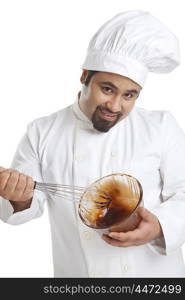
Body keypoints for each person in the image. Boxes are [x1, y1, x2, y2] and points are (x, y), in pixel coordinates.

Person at [0, 10, 185, 278]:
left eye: (129, 95)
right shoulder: (41, 131)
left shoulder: (160, 126)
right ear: (84, 76)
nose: (115, 105)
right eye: (107, 89)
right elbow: (23, 207)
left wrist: (159, 226)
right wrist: (19, 197)